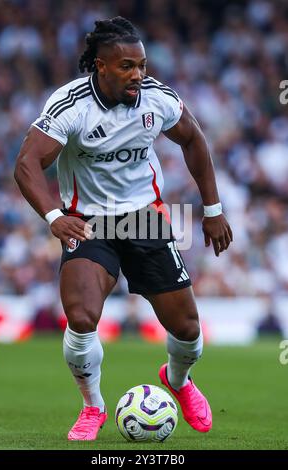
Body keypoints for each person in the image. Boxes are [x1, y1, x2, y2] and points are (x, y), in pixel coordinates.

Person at [14, 16, 233, 441]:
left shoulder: (157, 100)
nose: (139, 75)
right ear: (100, 65)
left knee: (188, 331)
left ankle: (179, 381)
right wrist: (55, 218)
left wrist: (213, 209)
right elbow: (27, 164)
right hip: (89, 221)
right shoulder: (70, 105)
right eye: (127, 66)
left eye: (142, 65)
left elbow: (194, 139)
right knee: (81, 318)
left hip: (145, 218)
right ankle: (92, 406)